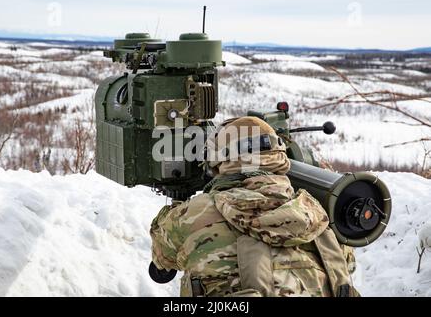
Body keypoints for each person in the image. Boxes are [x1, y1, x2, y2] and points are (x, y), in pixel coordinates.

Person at [150, 116, 359, 297]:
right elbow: (348, 264)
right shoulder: (318, 213)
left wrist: (174, 208)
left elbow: (162, 260)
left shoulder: (192, 215)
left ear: (218, 161)